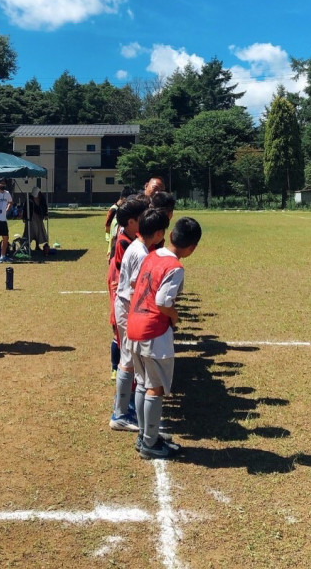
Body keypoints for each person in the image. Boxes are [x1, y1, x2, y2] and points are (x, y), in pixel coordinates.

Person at [127, 216, 202, 459]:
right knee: (155, 388)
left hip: (134, 326)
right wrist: (174, 316)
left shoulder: (151, 255)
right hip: (153, 332)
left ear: (170, 236)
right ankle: (149, 442)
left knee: (141, 382)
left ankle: (144, 435)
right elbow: (162, 301)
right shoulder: (175, 267)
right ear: (192, 248)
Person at [110, 207, 170, 431]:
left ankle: (122, 411)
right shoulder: (142, 253)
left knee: (129, 361)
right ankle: (121, 414)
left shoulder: (136, 246)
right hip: (129, 309)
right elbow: (137, 284)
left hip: (125, 307)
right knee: (129, 363)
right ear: (158, 234)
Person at [107, 195, 149, 383]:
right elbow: (123, 272)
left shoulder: (132, 238)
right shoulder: (125, 242)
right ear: (131, 222)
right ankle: (116, 367)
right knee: (121, 333)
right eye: (142, 218)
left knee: (124, 338)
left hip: (123, 292)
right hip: (122, 293)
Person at [24, 189, 50, 255]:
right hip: (31, 217)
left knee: (39, 231)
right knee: (31, 231)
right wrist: (24, 217)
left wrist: (45, 214)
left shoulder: (42, 199)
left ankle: (37, 246)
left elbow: (44, 207)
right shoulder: (29, 200)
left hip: (39, 217)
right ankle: (27, 246)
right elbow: (25, 208)